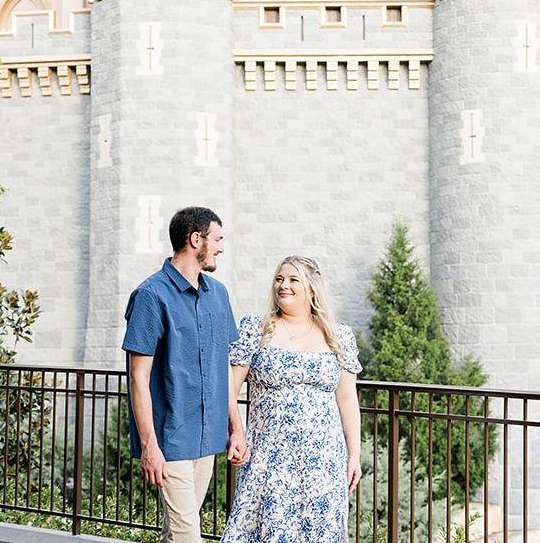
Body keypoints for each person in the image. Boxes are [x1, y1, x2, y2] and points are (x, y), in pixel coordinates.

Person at [122, 206, 248, 543]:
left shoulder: (218, 294)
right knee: (188, 535)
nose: (221, 247)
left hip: (207, 438)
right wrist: (149, 446)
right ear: (196, 239)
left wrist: (236, 429)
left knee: (176, 533)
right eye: (217, 239)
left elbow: (223, 367)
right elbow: (138, 378)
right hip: (170, 439)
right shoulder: (151, 295)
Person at [221, 255, 362, 543]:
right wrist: (236, 432)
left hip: (324, 461)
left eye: (293, 279)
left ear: (312, 288)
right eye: (279, 279)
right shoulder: (256, 330)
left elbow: (347, 400)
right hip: (270, 457)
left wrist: (354, 456)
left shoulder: (338, 336)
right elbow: (228, 388)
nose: (283, 285)